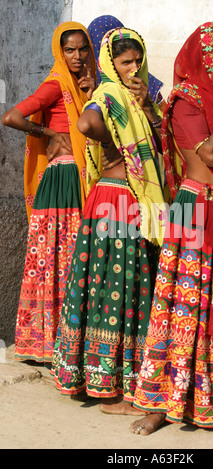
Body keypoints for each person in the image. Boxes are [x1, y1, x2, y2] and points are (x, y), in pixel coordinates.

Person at [130, 22, 213, 434]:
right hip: (197, 211)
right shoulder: (186, 101)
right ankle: (163, 404)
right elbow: (210, 153)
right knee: (186, 308)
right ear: (208, 58)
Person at [51, 26, 168, 415]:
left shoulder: (138, 99)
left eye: (138, 61)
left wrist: (148, 109)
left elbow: (162, 145)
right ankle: (116, 393)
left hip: (117, 201)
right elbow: (86, 124)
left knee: (109, 284)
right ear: (110, 64)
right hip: (117, 199)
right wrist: (116, 146)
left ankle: (95, 378)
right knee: (121, 287)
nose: (133, 68)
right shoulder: (109, 93)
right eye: (125, 62)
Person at [1, 21, 96, 362]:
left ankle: (69, 339)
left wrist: (91, 94)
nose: (77, 56)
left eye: (83, 48)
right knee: (55, 258)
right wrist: (50, 134)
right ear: (59, 51)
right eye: (69, 49)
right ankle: (45, 341)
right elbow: (11, 116)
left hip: (79, 180)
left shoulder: (86, 85)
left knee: (71, 258)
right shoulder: (56, 85)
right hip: (61, 181)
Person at [87, 15, 165, 106]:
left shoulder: (144, 81)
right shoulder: (87, 82)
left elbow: (164, 116)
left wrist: (147, 107)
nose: (135, 68)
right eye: (126, 62)